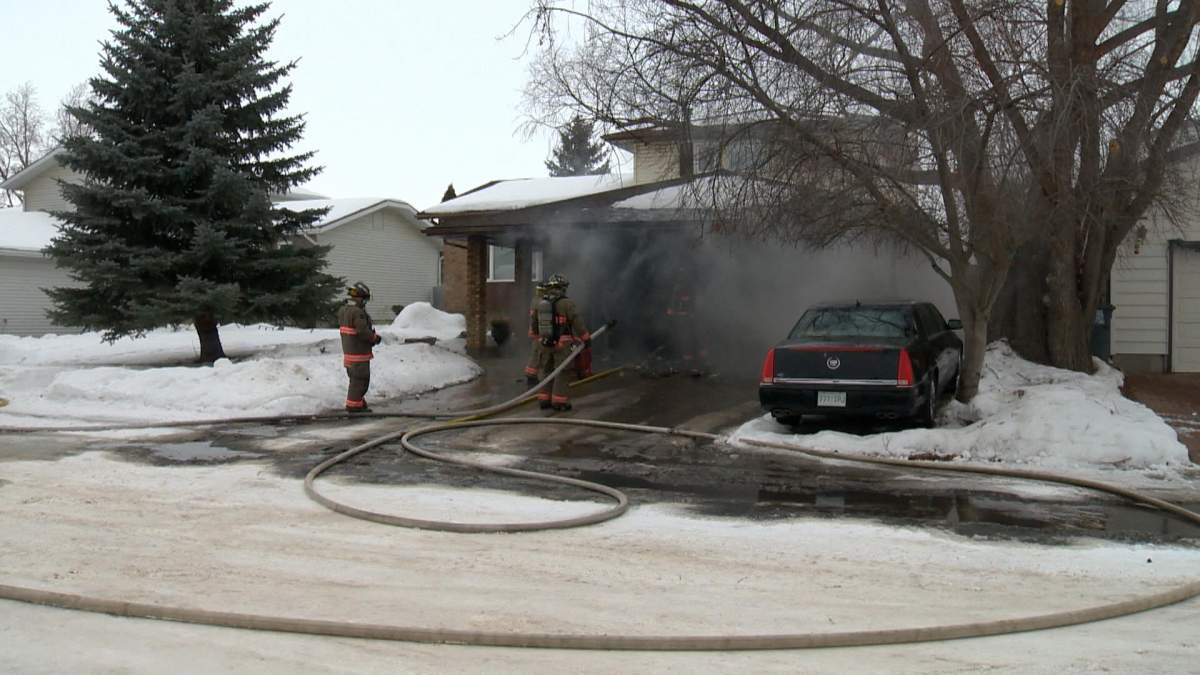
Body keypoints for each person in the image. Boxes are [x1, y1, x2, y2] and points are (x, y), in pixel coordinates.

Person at [534, 273, 590, 411]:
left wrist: (541, 339)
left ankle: (544, 400)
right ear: (562, 287)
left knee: (546, 370)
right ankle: (559, 402)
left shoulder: (542, 302)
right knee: (562, 372)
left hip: (545, 343)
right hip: (562, 344)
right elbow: (577, 321)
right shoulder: (567, 303)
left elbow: (534, 324)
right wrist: (586, 338)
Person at [337, 282, 382, 413]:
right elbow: (362, 331)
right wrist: (374, 338)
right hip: (358, 354)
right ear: (359, 298)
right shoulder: (357, 313)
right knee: (361, 380)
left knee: (355, 380)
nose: (365, 302)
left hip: (349, 353)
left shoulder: (344, 310)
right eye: (365, 299)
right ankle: (354, 406)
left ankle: (358, 402)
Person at [523, 281, 547, 387]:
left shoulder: (535, 300)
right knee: (537, 354)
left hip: (535, 332)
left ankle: (532, 375)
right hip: (539, 333)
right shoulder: (541, 302)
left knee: (537, 353)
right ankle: (531, 377)